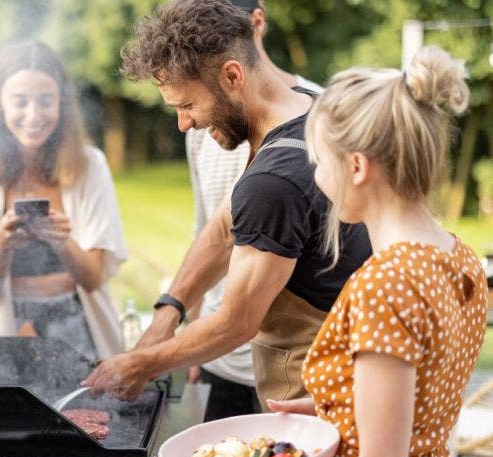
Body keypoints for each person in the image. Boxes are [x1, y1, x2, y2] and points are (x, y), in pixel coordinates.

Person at [157, 46, 490, 457]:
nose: (315, 179)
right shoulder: (457, 257)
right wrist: (334, 409)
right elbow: (421, 397)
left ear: (356, 167)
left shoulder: (385, 284)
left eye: (320, 162)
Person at [82, 0, 371, 405]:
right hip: (352, 377)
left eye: (186, 105)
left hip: (321, 395)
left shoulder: (273, 180)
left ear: (232, 75)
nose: (184, 124)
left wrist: (139, 365)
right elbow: (222, 230)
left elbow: (236, 323)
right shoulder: (310, 107)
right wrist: (168, 314)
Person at [183, 0, 323, 422]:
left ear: (256, 23)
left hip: (300, 369)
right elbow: (208, 225)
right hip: (217, 359)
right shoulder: (202, 118)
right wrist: (185, 327)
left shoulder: (324, 113)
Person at [0, 40, 128, 361]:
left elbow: (92, 279)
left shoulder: (90, 165)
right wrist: (1, 244)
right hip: (9, 331)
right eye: (20, 101)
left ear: (61, 102)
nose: (33, 115)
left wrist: (63, 241)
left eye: (45, 101)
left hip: (80, 328)